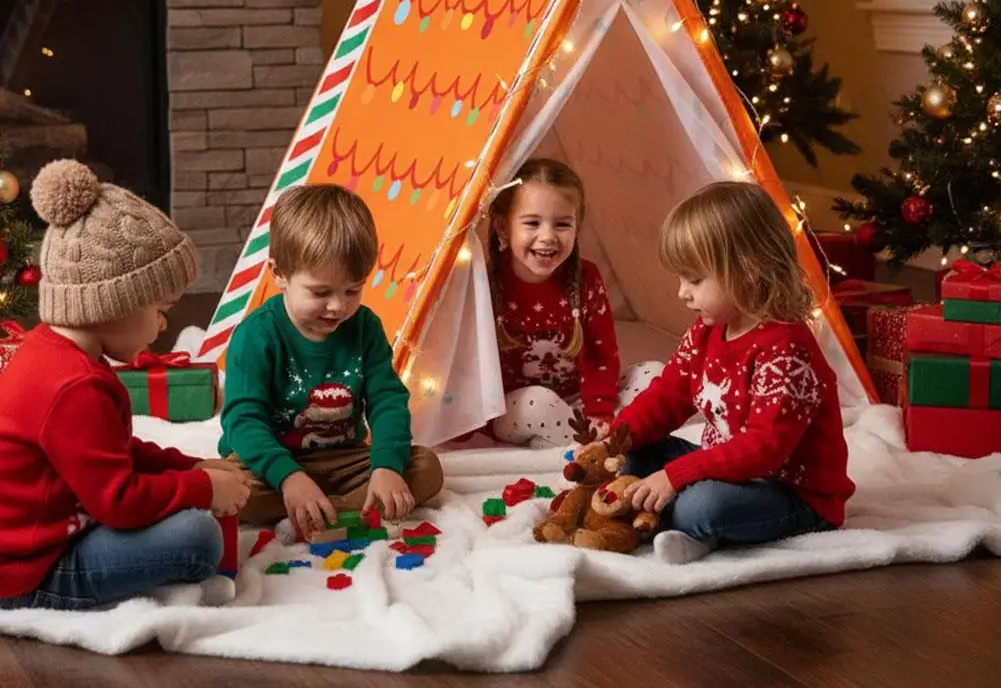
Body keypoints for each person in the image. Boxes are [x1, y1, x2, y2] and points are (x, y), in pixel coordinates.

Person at [0, 160, 250, 610]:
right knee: (197, 538)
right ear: (115, 302)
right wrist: (202, 491)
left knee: (182, 510)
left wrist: (188, 467)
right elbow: (120, 501)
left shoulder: (52, 352)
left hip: (47, 531)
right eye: (160, 308)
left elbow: (113, 452)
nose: (161, 324)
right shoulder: (75, 387)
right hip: (31, 568)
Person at [615, 181, 855, 564]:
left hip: (790, 491)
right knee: (630, 458)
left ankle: (677, 522)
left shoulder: (786, 347)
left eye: (694, 280)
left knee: (703, 506)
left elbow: (763, 450)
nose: (682, 293)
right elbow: (668, 396)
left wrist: (676, 477)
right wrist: (614, 441)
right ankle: (668, 519)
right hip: (726, 468)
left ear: (748, 270)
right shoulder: (707, 329)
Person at [219, 184, 443, 537]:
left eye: (353, 290)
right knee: (234, 490)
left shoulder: (365, 326)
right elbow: (243, 421)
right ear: (279, 274)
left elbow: (387, 400)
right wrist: (289, 477)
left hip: (345, 458)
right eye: (321, 292)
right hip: (273, 462)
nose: (338, 306)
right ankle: (317, 503)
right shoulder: (256, 335)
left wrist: (386, 466)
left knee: (426, 468)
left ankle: (326, 511)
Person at [486, 158, 662, 448]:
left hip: (576, 402)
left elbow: (601, 355)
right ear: (503, 227)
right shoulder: (488, 282)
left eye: (562, 224)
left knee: (656, 374)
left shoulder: (586, 278)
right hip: (519, 407)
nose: (548, 237)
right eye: (532, 223)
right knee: (537, 403)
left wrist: (599, 413)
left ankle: (582, 441)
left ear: (577, 226)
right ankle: (589, 451)